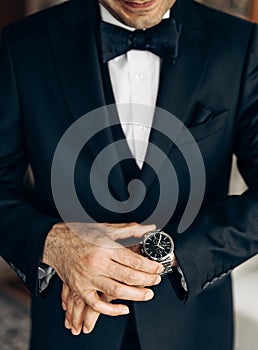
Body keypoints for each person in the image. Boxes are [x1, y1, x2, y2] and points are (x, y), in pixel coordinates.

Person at [0, 0, 258, 349]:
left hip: (192, 325)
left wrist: (169, 256)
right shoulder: (21, 45)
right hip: (71, 325)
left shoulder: (241, 44)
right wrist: (54, 244)